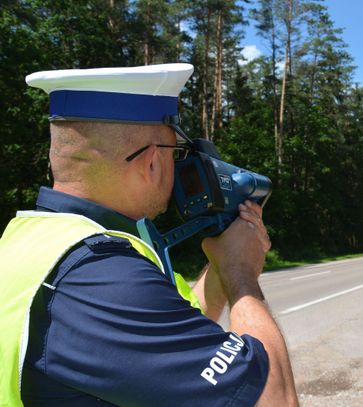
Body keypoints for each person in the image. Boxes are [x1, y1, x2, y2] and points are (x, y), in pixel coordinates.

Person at [0, 64, 298, 406]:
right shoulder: (100, 277)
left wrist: (221, 264)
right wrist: (241, 274)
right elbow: (274, 398)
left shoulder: (29, 242)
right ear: (152, 163)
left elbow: (167, 345)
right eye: (177, 154)